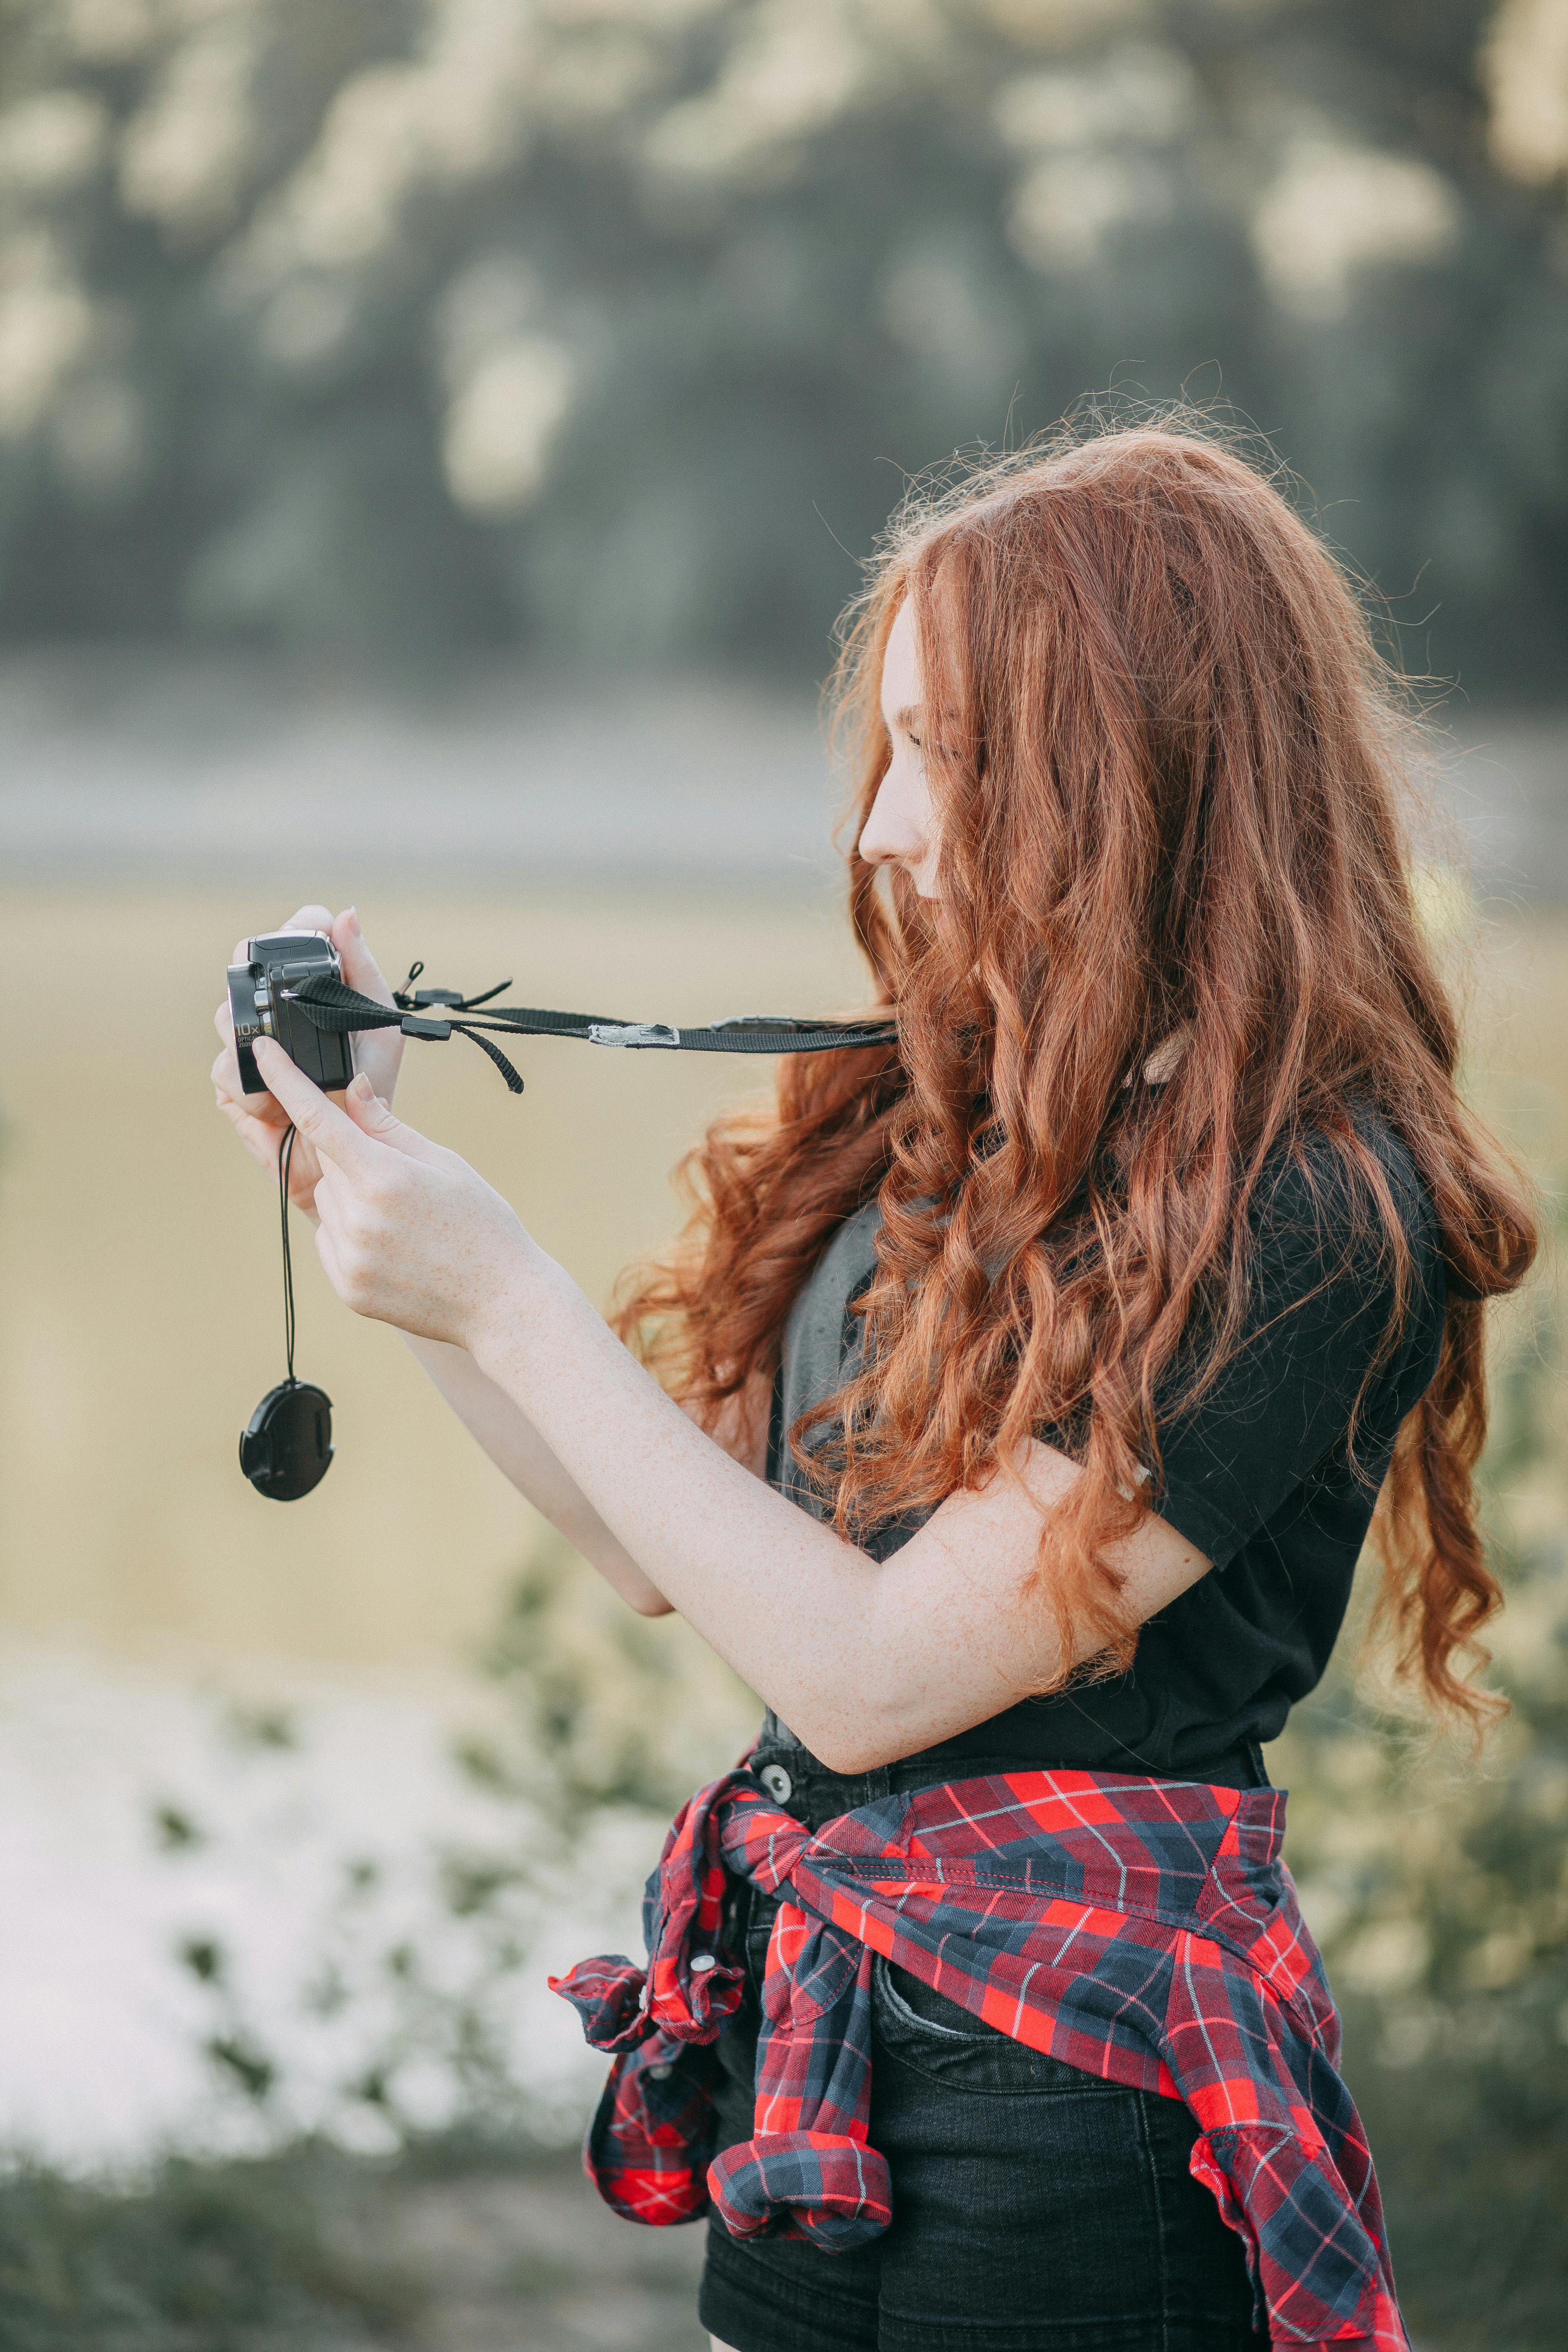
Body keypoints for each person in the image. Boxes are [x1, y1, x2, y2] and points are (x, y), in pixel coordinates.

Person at [213, 425, 1535, 2352]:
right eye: (892, 745)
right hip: (816, 2051)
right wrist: (383, 1211)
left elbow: (872, 1675)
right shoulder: (941, 1109)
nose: (884, 830)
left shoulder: (1316, 1208)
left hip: (1082, 2115)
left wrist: (508, 1299)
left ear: (1140, 772)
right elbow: (668, 1545)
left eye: (952, 751)